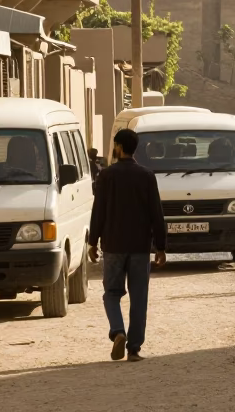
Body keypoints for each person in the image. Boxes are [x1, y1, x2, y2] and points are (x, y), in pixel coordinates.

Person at [88, 128, 167, 362]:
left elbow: (98, 211)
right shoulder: (147, 176)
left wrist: (92, 241)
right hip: (140, 247)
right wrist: (161, 247)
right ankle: (134, 349)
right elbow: (156, 213)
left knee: (111, 294)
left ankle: (118, 331)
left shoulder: (106, 176)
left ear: (119, 147)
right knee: (139, 297)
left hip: (113, 246)